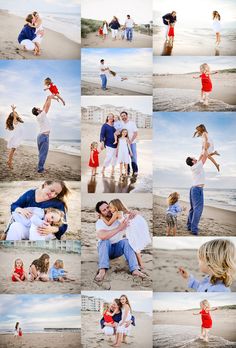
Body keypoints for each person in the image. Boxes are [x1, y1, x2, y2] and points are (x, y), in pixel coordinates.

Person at [94, 201, 146, 282]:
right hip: (106, 250)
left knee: (126, 241)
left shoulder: (119, 216)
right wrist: (119, 228)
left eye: (108, 207)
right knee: (104, 241)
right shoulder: (100, 222)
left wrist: (135, 212)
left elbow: (132, 215)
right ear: (100, 213)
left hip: (118, 249)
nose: (107, 210)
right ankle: (102, 270)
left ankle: (135, 269)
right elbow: (102, 236)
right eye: (104, 210)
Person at [101, 199, 151, 270]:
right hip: (135, 224)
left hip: (131, 227)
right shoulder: (122, 212)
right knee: (134, 244)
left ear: (116, 207)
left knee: (134, 244)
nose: (109, 209)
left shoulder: (117, 213)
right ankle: (137, 261)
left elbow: (109, 224)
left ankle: (141, 264)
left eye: (110, 207)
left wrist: (102, 217)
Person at [185, 150, 208, 235]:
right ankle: (194, 229)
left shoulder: (195, 166)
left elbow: (201, 157)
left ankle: (189, 226)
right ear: (192, 161)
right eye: (193, 157)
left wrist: (203, 150)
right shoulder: (196, 166)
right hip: (197, 189)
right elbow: (204, 157)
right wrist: (206, 149)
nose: (195, 157)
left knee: (193, 209)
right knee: (198, 209)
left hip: (194, 189)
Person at [32, 95, 55, 173]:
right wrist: (50, 99)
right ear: (38, 111)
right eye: (39, 108)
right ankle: (40, 169)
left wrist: (47, 98)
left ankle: (40, 167)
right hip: (44, 137)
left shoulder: (40, 116)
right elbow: (47, 107)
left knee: (41, 153)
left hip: (41, 136)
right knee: (43, 154)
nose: (40, 108)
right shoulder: (41, 115)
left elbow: (44, 106)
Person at [5, 105, 24, 170]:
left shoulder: (17, 121)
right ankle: (9, 162)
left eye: (16, 113)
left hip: (17, 137)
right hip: (16, 138)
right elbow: (15, 116)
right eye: (15, 114)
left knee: (13, 150)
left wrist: (14, 112)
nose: (17, 114)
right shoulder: (14, 121)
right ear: (14, 116)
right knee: (12, 150)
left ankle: (9, 161)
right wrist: (13, 110)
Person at [120, 111, 138, 176]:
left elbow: (136, 133)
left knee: (133, 156)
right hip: (124, 144)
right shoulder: (121, 124)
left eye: (124, 115)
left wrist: (130, 141)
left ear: (127, 116)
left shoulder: (132, 123)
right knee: (125, 157)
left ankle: (135, 171)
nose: (123, 117)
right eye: (122, 116)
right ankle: (127, 171)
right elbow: (120, 133)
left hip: (132, 143)